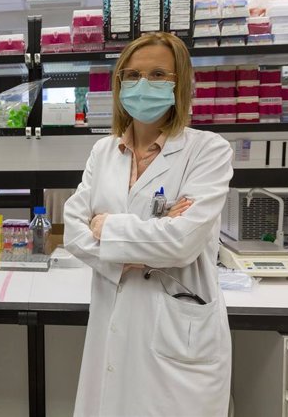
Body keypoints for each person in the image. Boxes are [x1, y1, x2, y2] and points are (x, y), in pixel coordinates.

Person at [63, 32, 233, 416]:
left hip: (177, 334)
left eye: (158, 75)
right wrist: (140, 246)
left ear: (180, 84)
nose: (144, 85)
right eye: (133, 75)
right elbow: (73, 230)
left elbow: (181, 244)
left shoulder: (208, 151)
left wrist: (105, 227)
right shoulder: (104, 151)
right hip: (113, 322)